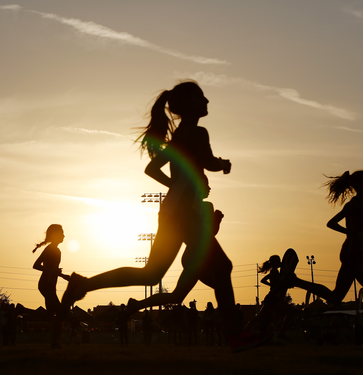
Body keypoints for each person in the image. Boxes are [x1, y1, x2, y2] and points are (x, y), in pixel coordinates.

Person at [61, 81, 241, 341]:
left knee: (151, 273)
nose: (207, 101)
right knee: (222, 267)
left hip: (172, 211)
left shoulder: (180, 135)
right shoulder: (196, 133)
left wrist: (178, 184)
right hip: (184, 214)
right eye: (202, 97)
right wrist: (223, 164)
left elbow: (152, 169)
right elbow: (208, 162)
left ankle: (84, 283)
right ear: (190, 104)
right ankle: (236, 335)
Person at [282, 171, 363, 344]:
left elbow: (362, 230)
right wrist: (350, 233)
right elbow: (331, 223)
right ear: (361, 185)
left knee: (335, 297)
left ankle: (294, 281)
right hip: (351, 253)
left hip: (355, 253)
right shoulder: (353, 205)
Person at [32, 224, 71, 349]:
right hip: (46, 284)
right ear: (56, 235)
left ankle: (21, 310)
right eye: (62, 233)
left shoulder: (55, 250)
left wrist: (62, 275)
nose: (64, 236)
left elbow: (52, 270)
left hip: (50, 284)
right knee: (59, 312)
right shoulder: (50, 249)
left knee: (50, 315)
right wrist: (53, 271)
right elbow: (36, 265)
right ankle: (55, 343)